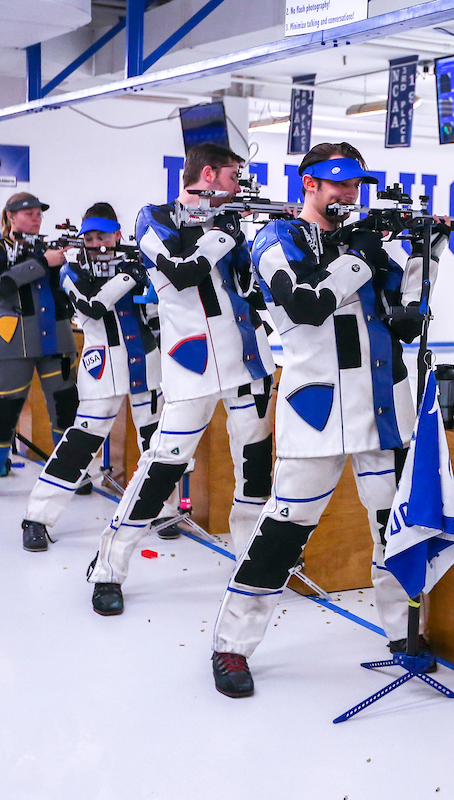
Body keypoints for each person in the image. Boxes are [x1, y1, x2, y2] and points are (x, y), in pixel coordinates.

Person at [209, 142, 448, 698]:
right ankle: (231, 645)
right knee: (283, 534)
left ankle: (402, 633)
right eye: (336, 182)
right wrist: (362, 254)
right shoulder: (277, 240)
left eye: (355, 184)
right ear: (308, 185)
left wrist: (423, 253)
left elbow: (407, 319)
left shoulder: (360, 245)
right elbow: (307, 303)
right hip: (314, 411)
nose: (348, 193)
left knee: (395, 528)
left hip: (382, 408)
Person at [86, 143, 276, 616]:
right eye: (234, 177)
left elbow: (250, 291)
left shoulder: (229, 221)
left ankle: (249, 563)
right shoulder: (152, 218)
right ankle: (108, 567)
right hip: (191, 362)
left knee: (254, 467)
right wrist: (221, 235)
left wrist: (255, 248)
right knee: (163, 465)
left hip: (248, 359)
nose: (239, 187)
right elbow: (181, 269)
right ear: (208, 174)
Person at [21, 203, 176, 551]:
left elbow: (155, 314)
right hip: (101, 364)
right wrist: (131, 274)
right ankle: (37, 517)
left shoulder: (138, 264)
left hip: (146, 364)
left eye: (103, 236)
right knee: (80, 444)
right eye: (89, 237)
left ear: (118, 235)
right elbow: (93, 305)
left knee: (157, 441)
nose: (96, 243)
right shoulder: (72, 269)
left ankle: (161, 509)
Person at [0, 193, 79, 505]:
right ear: (11, 217)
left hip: (56, 338)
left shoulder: (52, 250)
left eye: (38, 214)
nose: (35, 218)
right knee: (3, 410)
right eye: (27, 213)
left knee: (65, 406)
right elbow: (1, 284)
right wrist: (43, 263)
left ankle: (69, 471)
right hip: (12, 341)